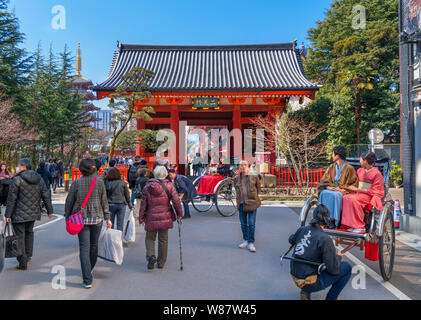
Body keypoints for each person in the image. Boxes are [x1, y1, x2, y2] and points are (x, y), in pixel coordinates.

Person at [64, 158, 112, 288]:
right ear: (93, 168)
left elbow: (69, 201)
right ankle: (89, 268)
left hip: (80, 219)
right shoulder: (99, 182)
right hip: (97, 218)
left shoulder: (76, 183)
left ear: (81, 169)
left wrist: (67, 216)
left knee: (84, 248)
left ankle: (87, 279)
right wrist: (107, 218)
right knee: (94, 245)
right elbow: (104, 201)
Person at [288, 204, 352, 300]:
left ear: (314, 216)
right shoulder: (325, 239)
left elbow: (291, 240)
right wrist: (338, 257)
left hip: (295, 275)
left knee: (315, 259)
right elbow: (333, 270)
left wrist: (300, 237)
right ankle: (331, 298)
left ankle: (305, 291)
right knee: (346, 267)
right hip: (311, 282)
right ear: (327, 219)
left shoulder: (302, 229)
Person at [4, 158, 54, 270]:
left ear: (23, 167)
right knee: (29, 233)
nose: (17, 167)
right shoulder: (39, 178)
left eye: (18, 165)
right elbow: (45, 194)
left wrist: (7, 215)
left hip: (18, 213)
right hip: (33, 213)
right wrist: (50, 210)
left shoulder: (17, 179)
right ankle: (27, 255)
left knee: (20, 236)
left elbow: (12, 199)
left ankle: (22, 262)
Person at [138, 166, 183, 270]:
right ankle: (161, 262)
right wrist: (179, 214)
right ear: (165, 174)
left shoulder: (147, 187)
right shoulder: (170, 186)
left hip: (151, 216)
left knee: (150, 238)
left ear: (154, 174)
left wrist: (141, 218)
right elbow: (176, 201)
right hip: (165, 216)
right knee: (163, 240)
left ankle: (151, 256)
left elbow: (143, 204)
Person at [341, 152, 385, 233]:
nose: (359, 161)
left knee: (353, 199)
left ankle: (359, 225)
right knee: (345, 197)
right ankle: (351, 224)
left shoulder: (377, 174)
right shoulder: (360, 170)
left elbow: (377, 190)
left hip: (369, 195)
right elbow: (354, 182)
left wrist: (359, 190)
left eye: (361, 160)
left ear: (365, 161)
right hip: (358, 193)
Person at [317, 146, 359, 228]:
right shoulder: (332, 167)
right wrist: (328, 187)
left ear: (338, 156)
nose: (332, 156)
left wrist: (342, 189)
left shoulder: (349, 168)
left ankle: (333, 220)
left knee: (335, 195)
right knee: (323, 193)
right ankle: (322, 219)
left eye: (333, 154)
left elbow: (353, 184)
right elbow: (324, 180)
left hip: (342, 191)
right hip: (332, 189)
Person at [234, 160, 261, 253]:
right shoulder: (237, 178)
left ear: (248, 166)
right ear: (239, 167)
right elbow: (236, 190)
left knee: (251, 223)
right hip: (241, 203)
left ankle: (251, 242)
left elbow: (258, 189)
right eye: (241, 165)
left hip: (252, 203)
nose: (243, 167)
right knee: (243, 223)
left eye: (245, 165)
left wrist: (253, 197)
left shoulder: (254, 177)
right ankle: (245, 240)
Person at [104, 167, 133, 232]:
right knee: (120, 224)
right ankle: (118, 240)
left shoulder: (107, 183)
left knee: (111, 224)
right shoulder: (122, 183)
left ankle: (111, 239)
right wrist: (130, 206)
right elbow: (127, 196)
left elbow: (105, 196)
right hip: (121, 205)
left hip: (110, 205)